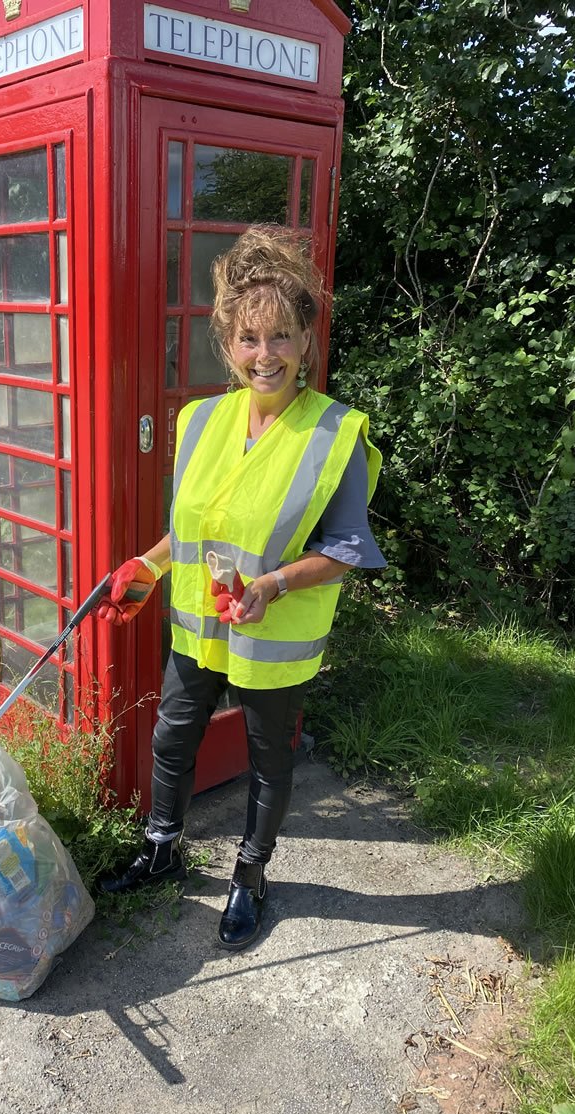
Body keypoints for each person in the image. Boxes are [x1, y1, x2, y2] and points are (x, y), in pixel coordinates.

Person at [96, 224, 385, 951]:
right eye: (250, 339)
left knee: (268, 761)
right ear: (227, 343)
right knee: (171, 738)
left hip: (273, 634)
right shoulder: (199, 421)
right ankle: (161, 848)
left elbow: (347, 549)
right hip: (198, 626)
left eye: (281, 336)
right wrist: (148, 567)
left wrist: (276, 585)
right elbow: (189, 530)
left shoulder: (333, 433)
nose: (266, 356)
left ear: (306, 341)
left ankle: (251, 875)